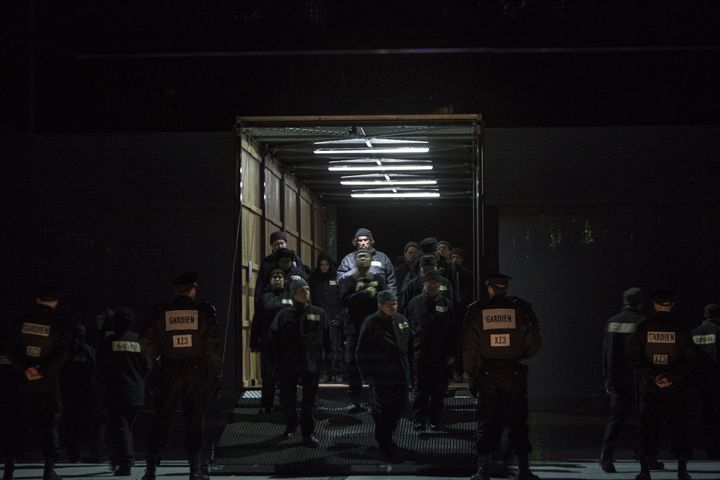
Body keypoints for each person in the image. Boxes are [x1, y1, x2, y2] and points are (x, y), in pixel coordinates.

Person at [140, 273, 222, 480]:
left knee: (162, 419)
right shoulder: (203, 312)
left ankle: (150, 470)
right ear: (193, 290)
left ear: (175, 291)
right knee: (194, 421)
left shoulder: (161, 312)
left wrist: (159, 356)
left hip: (169, 370)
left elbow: (145, 339)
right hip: (196, 371)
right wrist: (216, 374)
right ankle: (195, 470)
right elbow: (211, 348)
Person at [463, 273, 542, 480]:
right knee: (518, 420)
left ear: (489, 288)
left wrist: (471, 376)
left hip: (488, 373)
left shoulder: (477, 310)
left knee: (487, 421)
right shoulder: (521, 309)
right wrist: (517, 353)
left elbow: (470, 348)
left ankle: (483, 470)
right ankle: (524, 470)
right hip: (514, 371)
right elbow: (534, 344)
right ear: (505, 288)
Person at [626, 290, 697, 480]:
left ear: (654, 305)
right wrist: (671, 377)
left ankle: (644, 470)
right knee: (679, 427)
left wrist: (654, 376)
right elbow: (690, 360)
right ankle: (682, 470)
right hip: (675, 389)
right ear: (672, 305)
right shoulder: (680, 328)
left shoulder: (643, 327)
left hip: (649, 389)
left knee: (647, 428)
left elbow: (634, 360)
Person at [7, 287, 72, 480]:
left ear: (37, 300)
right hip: (48, 383)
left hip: (22, 381)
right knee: (50, 424)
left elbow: (10, 348)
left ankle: (9, 466)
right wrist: (42, 371)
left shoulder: (20, 321)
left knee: (17, 424)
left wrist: (25, 368)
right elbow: (61, 355)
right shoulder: (60, 324)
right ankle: (49, 469)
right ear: (56, 302)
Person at [268, 278, 333, 448]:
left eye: (307, 289)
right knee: (287, 398)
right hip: (288, 364)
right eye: (301, 290)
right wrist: (274, 364)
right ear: (293, 294)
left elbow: (328, 339)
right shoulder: (284, 315)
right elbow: (273, 339)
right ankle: (291, 423)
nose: (305, 293)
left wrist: (328, 362)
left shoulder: (319, 313)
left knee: (310, 401)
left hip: (311, 363)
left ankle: (308, 433)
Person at [356, 290, 411, 459]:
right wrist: (367, 375)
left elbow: (409, 346)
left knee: (399, 407)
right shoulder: (371, 323)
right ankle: (385, 442)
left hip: (400, 373)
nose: (393, 307)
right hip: (381, 375)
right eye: (389, 304)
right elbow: (361, 351)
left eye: (394, 304)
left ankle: (388, 435)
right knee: (382, 410)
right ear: (380, 306)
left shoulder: (401, 320)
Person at [98, 307, 151, 476]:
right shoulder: (139, 341)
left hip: (116, 392)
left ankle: (125, 463)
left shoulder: (108, 342)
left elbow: (100, 366)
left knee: (120, 428)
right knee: (126, 428)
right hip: (136, 393)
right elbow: (147, 366)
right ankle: (125, 457)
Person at [599, 287, 646, 473]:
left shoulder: (612, 322)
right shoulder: (642, 322)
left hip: (617, 379)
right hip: (638, 379)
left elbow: (606, 353)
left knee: (615, 420)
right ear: (640, 303)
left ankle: (606, 457)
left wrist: (607, 378)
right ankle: (645, 457)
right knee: (644, 420)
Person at [405, 270, 455, 431]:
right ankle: (418, 419)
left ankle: (435, 419)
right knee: (420, 388)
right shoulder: (414, 303)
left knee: (438, 389)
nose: (432, 286)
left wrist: (452, 353)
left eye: (435, 283)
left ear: (440, 286)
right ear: (423, 284)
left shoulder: (446, 304)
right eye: (429, 283)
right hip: (420, 353)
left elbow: (454, 329)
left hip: (440, 354)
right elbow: (407, 328)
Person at [339, 248, 387, 412]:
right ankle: (355, 400)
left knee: (375, 363)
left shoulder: (379, 279)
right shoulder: (348, 280)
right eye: (359, 257)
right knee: (353, 364)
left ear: (370, 260)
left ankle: (376, 399)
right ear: (355, 260)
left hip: (375, 329)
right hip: (353, 327)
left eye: (365, 257)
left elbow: (386, 300)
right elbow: (343, 300)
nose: (362, 260)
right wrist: (363, 294)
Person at [59, 324, 106, 463]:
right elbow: (96, 370)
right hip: (87, 392)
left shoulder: (65, 351)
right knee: (93, 423)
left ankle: (72, 454)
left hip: (69, 392)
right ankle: (96, 452)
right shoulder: (89, 350)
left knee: (71, 424)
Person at [249, 267, 292, 413]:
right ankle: (267, 404)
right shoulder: (264, 298)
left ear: (285, 279)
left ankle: (285, 403)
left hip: (287, 343)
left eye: (280, 277)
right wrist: (254, 342)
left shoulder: (291, 296)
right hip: (269, 343)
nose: (277, 279)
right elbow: (257, 321)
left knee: (286, 375)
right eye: (274, 277)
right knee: (268, 376)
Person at [308, 253, 346, 382]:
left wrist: (340, 317)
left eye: (326, 265)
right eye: (321, 265)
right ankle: (324, 373)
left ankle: (338, 372)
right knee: (321, 347)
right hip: (318, 319)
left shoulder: (338, 278)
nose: (324, 267)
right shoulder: (314, 279)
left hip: (334, 318)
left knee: (336, 347)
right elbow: (310, 299)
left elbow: (344, 299)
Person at [691, 303, 720, 458]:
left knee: (705, 415)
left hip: (699, 382)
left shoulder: (693, 333)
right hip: (716, 381)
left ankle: (709, 449)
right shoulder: (718, 331)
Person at [337, 228, 397, 295]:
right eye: (360, 240)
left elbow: (391, 282)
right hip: (356, 300)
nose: (363, 243)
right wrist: (354, 272)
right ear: (356, 242)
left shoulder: (383, 258)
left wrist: (392, 299)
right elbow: (339, 280)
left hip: (378, 300)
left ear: (371, 241)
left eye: (365, 240)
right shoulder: (348, 260)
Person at [254, 231, 304, 308]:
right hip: (273, 298)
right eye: (277, 244)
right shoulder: (267, 262)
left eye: (282, 243)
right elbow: (260, 284)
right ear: (272, 245)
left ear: (286, 243)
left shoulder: (295, 259)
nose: (280, 246)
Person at [0, 309, 21, 480]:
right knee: (11, 430)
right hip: (14, 393)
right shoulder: (19, 348)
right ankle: (9, 462)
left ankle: (9, 462)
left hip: (9, 393)